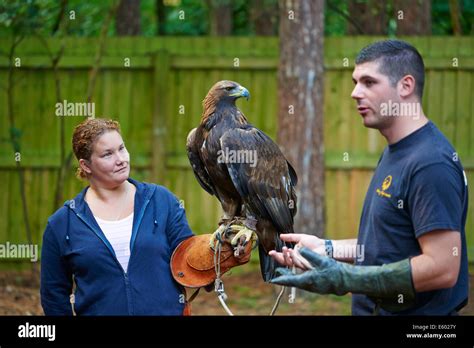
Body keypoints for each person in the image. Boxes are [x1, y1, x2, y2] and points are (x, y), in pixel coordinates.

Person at [269, 40, 469, 315]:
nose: (355, 93)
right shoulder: (398, 151)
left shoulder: (430, 163)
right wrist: (326, 249)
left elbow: (443, 267)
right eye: (355, 82)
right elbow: (388, 246)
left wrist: (345, 278)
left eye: (369, 82)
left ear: (405, 86)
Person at [41, 118, 250, 315]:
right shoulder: (63, 224)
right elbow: (54, 297)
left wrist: (219, 249)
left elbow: (186, 255)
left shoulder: (161, 201)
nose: (121, 159)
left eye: (122, 148)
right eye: (107, 154)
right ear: (86, 165)